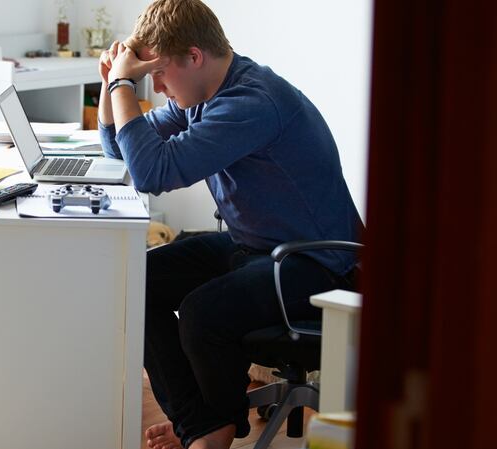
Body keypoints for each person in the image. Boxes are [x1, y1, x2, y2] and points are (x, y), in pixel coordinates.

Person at [96, 1, 363, 449]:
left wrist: (126, 83)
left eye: (159, 75)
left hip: (315, 262)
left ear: (194, 57)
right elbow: (119, 149)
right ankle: (200, 422)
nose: (157, 89)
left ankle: (213, 429)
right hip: (257, 247)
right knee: (134, 282)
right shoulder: (203, 94)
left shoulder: (252, 102)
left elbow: (152, 173)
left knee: (203, 313)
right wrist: (111, 85)